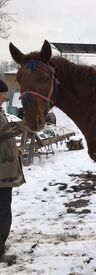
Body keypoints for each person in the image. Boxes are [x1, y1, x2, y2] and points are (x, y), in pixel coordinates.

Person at [0, 79, 26, 259]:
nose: (4, 98)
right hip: (1, 173)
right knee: (2, 212)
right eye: (2, 95)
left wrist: (12, 148)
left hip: (4, 170)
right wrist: (22, 125)